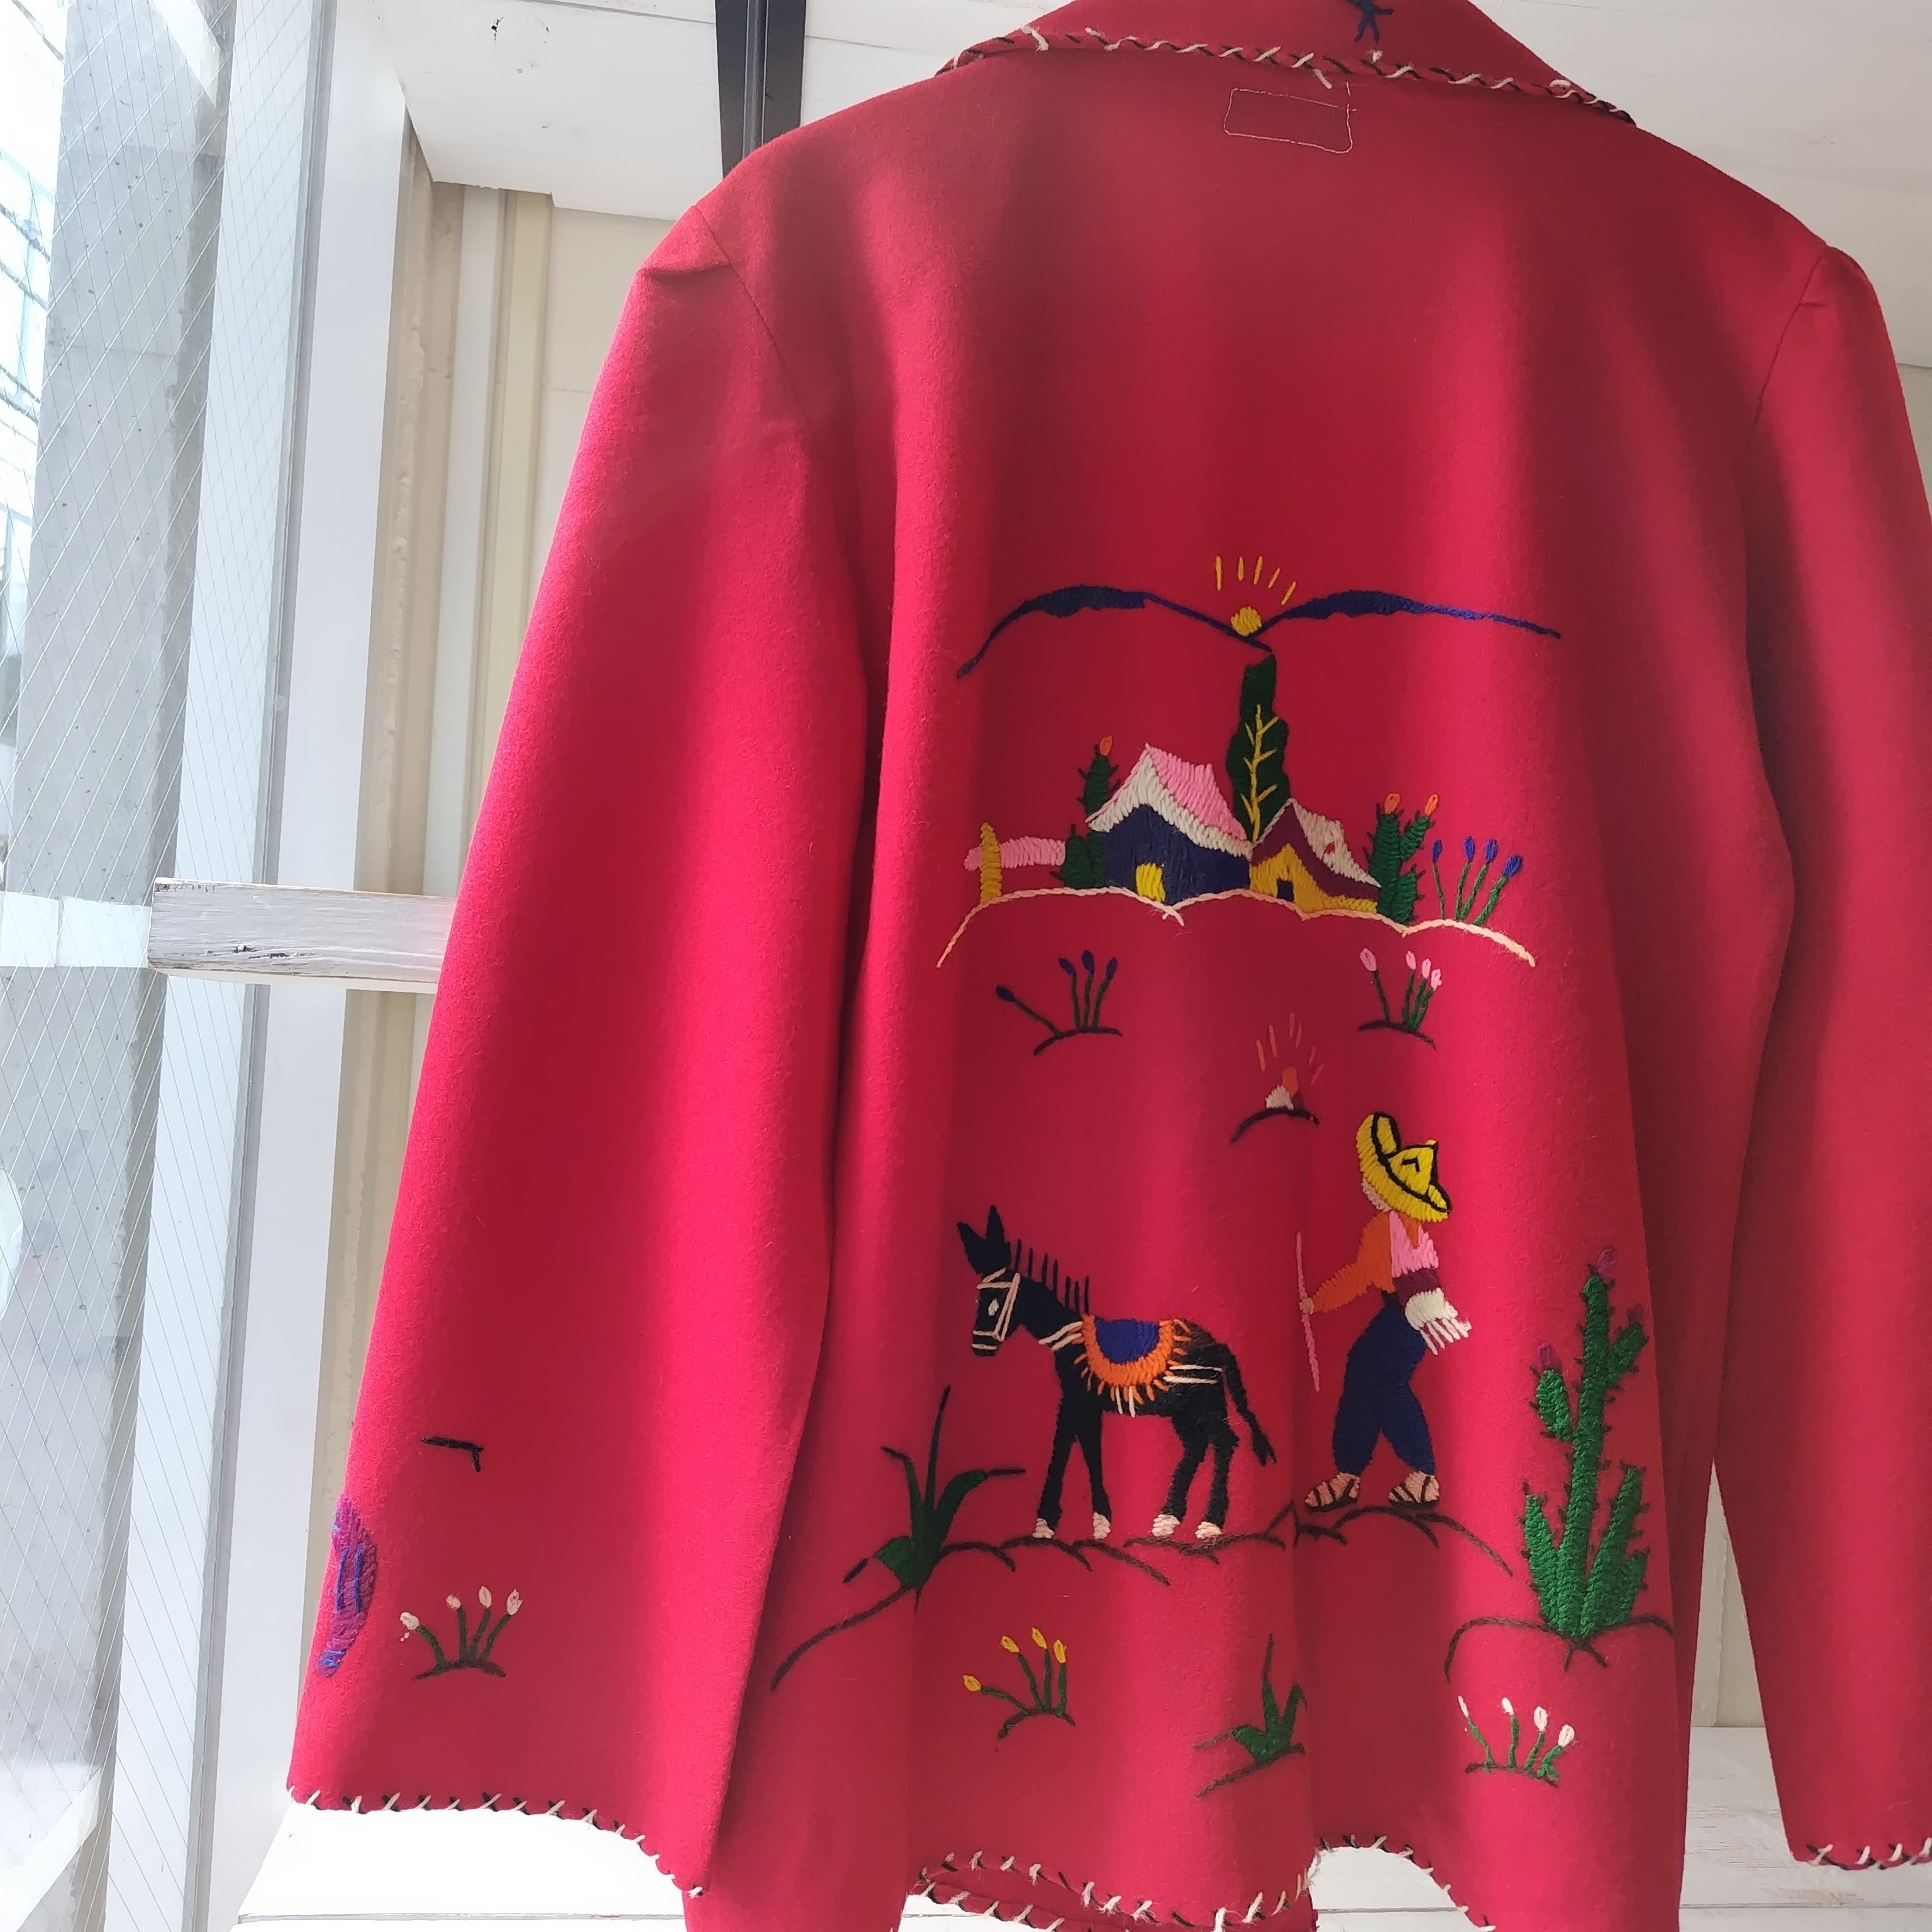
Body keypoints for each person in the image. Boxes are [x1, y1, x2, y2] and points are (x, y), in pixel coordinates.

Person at [1301, 1112, 1470, 1510]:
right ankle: (1375, 1473)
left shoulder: (1388, 1229)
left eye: (1375, 1180)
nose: (1366, 1184)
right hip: (1413, 1317)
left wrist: (1318, 1301)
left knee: (1378, 1380)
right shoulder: (1399, 1227)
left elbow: (1359, 1277)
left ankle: (1407, 1473)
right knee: (1374, 1378)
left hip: (1408, 1318)